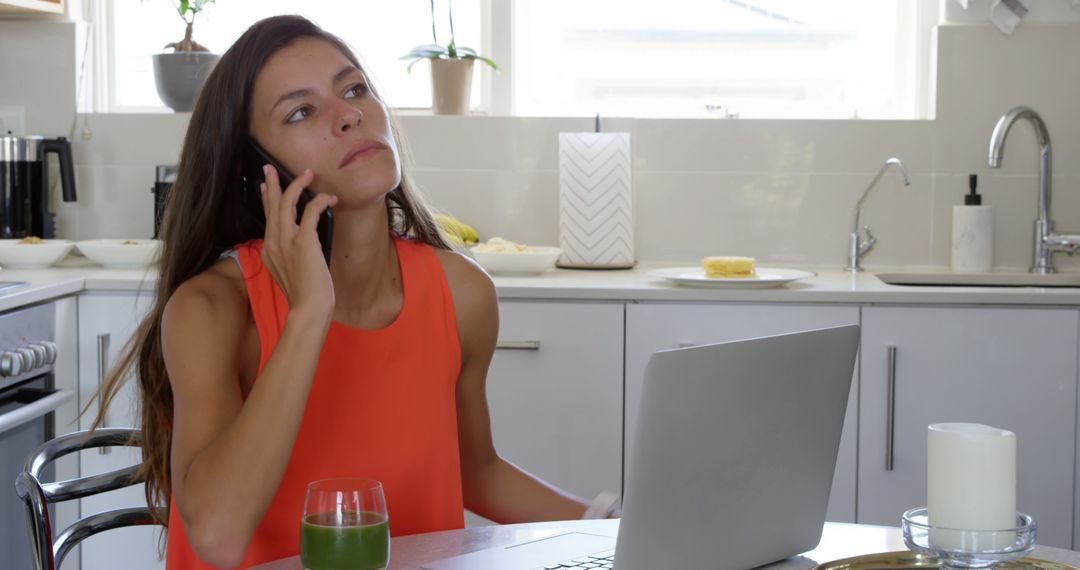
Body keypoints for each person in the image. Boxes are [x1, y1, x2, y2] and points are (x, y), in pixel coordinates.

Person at [92, 15, 614, 570]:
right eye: (301, 111)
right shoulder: (211, 310)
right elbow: (217, 535)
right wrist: (308, 314)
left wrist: (619, 528)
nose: (349, 115)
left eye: (354, 88)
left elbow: (476, 471)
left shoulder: (461, 294)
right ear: (257, 167)